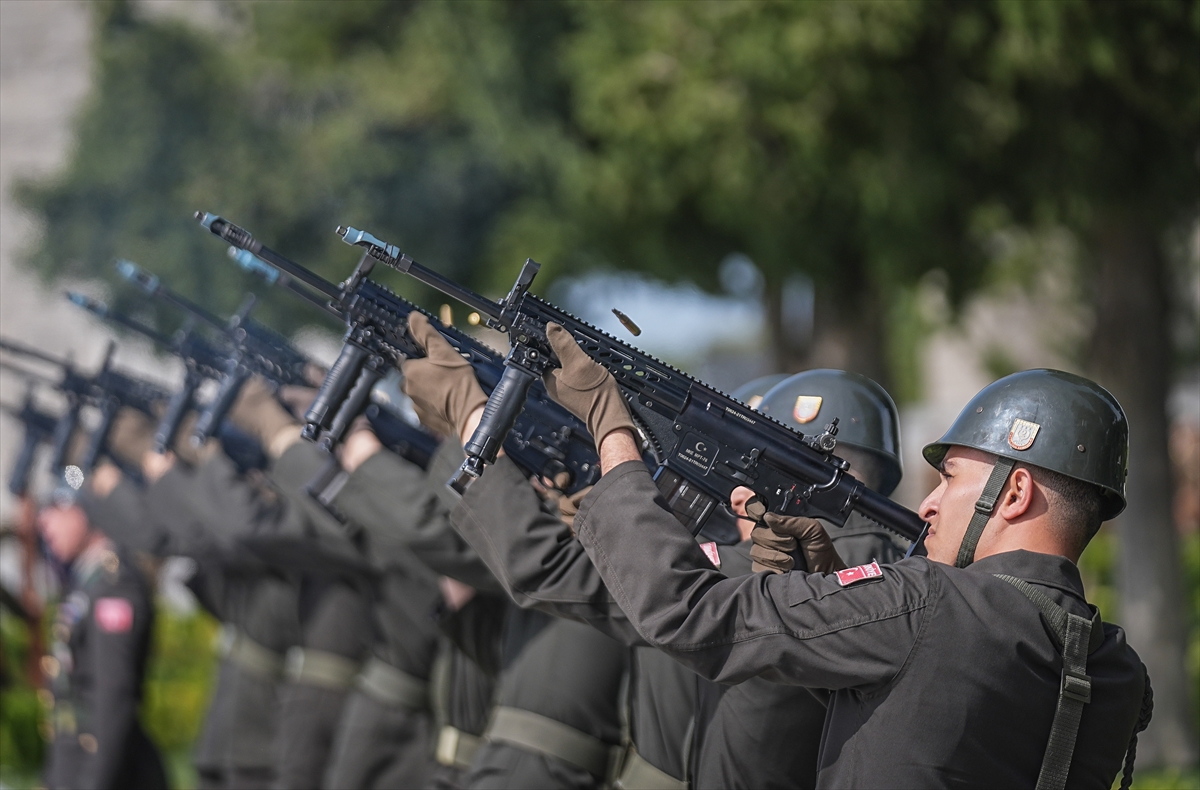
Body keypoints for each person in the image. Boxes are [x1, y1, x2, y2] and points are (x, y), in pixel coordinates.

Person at [432, 322, 1152, 790]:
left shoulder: (929, 603)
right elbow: (929, 719)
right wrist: (809, 589)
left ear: (1017, 489)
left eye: (952, 480)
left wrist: (611, 431)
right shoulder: (1116, 670)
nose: (929, 503)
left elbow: (684, 612)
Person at [38, 471, 168, 790]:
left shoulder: (115, 586)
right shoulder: (87, 581)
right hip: (73, 767)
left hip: (105, 773)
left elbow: (113, 697)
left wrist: (92, 783)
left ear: (87, 511)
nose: (45, 521)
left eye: (59, 507)